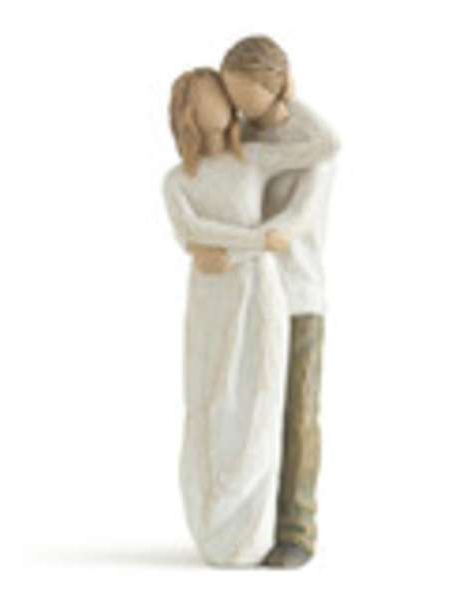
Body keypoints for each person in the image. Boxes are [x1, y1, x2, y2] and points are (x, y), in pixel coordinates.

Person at [164, 67, 335, 566]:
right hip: (213, 297)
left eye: (231, 94)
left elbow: (324, 148)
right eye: (214, 94)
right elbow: (190, 232)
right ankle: (215, 519)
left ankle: (273, 529)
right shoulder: (178, 179)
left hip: (269, 291)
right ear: (188, 111)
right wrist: (255, 242)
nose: (228, 103)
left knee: (264, 404)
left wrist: (286, 99)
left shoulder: (255, 158)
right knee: (214, 400)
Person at [215, 36, 339, 568]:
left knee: (298, 413)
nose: (239, 108)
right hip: (249, 291)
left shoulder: (312, 141)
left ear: (275, 87)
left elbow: (295, 219)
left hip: (296, 292)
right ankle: (247, 522)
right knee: (248, 410)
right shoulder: (243, 134)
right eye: (233, 97)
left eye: (248, 97)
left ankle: (296, 528)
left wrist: (251, 243)